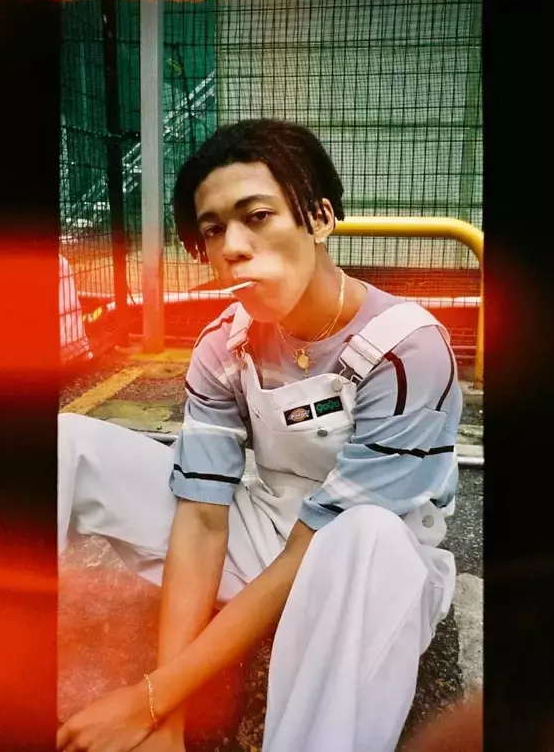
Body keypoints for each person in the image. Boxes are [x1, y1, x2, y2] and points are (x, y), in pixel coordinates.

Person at [57, 119, 462, 752]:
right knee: (65, 442)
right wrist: (170, 723)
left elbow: (315, 544)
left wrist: (148, 696)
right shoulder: (225, 343)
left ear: (320, 218)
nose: (232, 247)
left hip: (370, 566)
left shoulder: (408, 350)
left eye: (257, 216)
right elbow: (202, 518)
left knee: (367, 534)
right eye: (213, 229)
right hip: (266, 527)